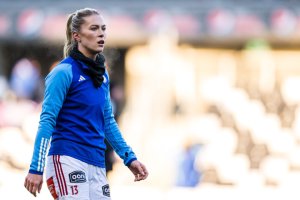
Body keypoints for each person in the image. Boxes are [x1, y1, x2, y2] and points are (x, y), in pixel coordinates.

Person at [24, 8, 148, 199]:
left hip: (98, 164)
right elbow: (47, 121)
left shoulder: (102, 76)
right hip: (67, 159)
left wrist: (129, 158)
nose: (101, 33)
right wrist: (36, 168)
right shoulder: (63, 72)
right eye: (94, 28)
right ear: (77, 36)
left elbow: (108, 121)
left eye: (103, 29)